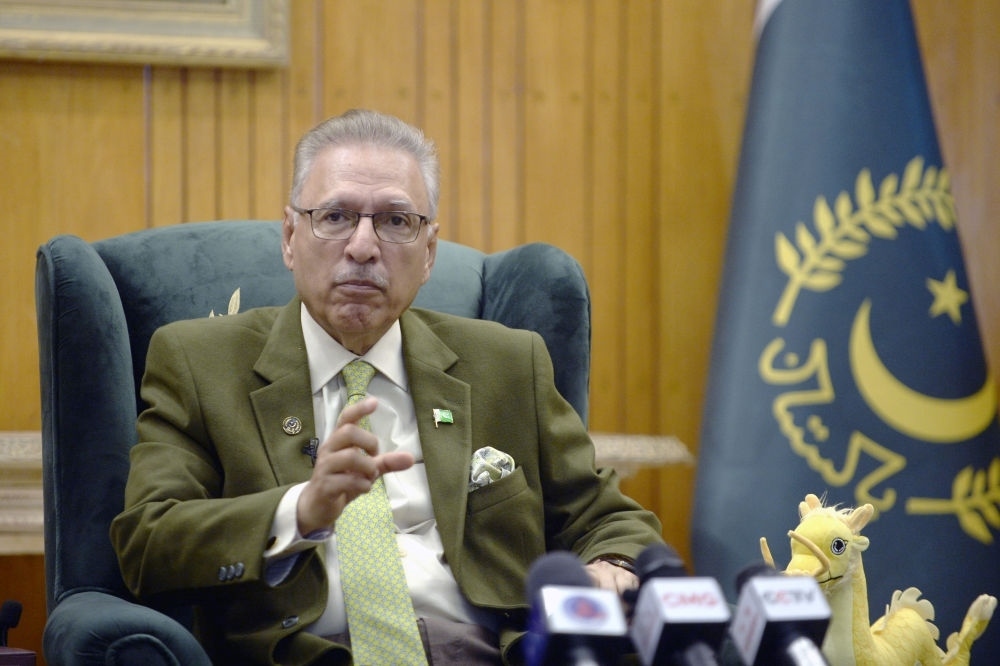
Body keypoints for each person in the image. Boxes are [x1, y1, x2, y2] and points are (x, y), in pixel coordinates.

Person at [110, 108, 665, 665]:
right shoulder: (200, 363)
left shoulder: (507, 364)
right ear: (290, 237)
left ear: (428, 253)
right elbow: (148, 542)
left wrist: (612, 564)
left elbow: (609, 518)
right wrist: (300, 510)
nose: (362, 247)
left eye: (396, 221)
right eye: (335, 217)